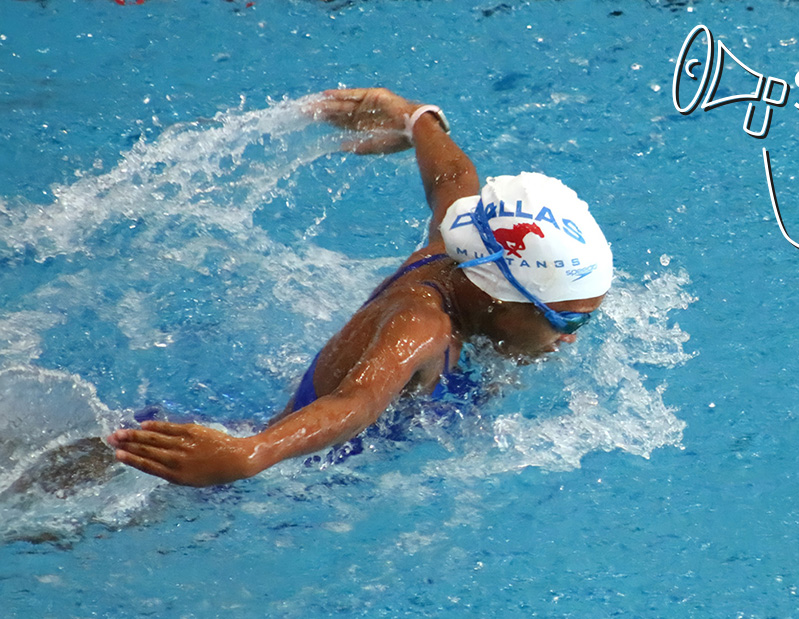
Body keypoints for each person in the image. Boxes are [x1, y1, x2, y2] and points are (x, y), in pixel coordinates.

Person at [105, 88, 614, 487]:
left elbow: (453, 178)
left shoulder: (462, 249)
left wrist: (415, 117)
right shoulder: (422, 326)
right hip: (249, 472)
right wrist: (249, 454)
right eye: (566, 320)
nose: (571, 338)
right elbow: (357, 403)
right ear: (498, 297)